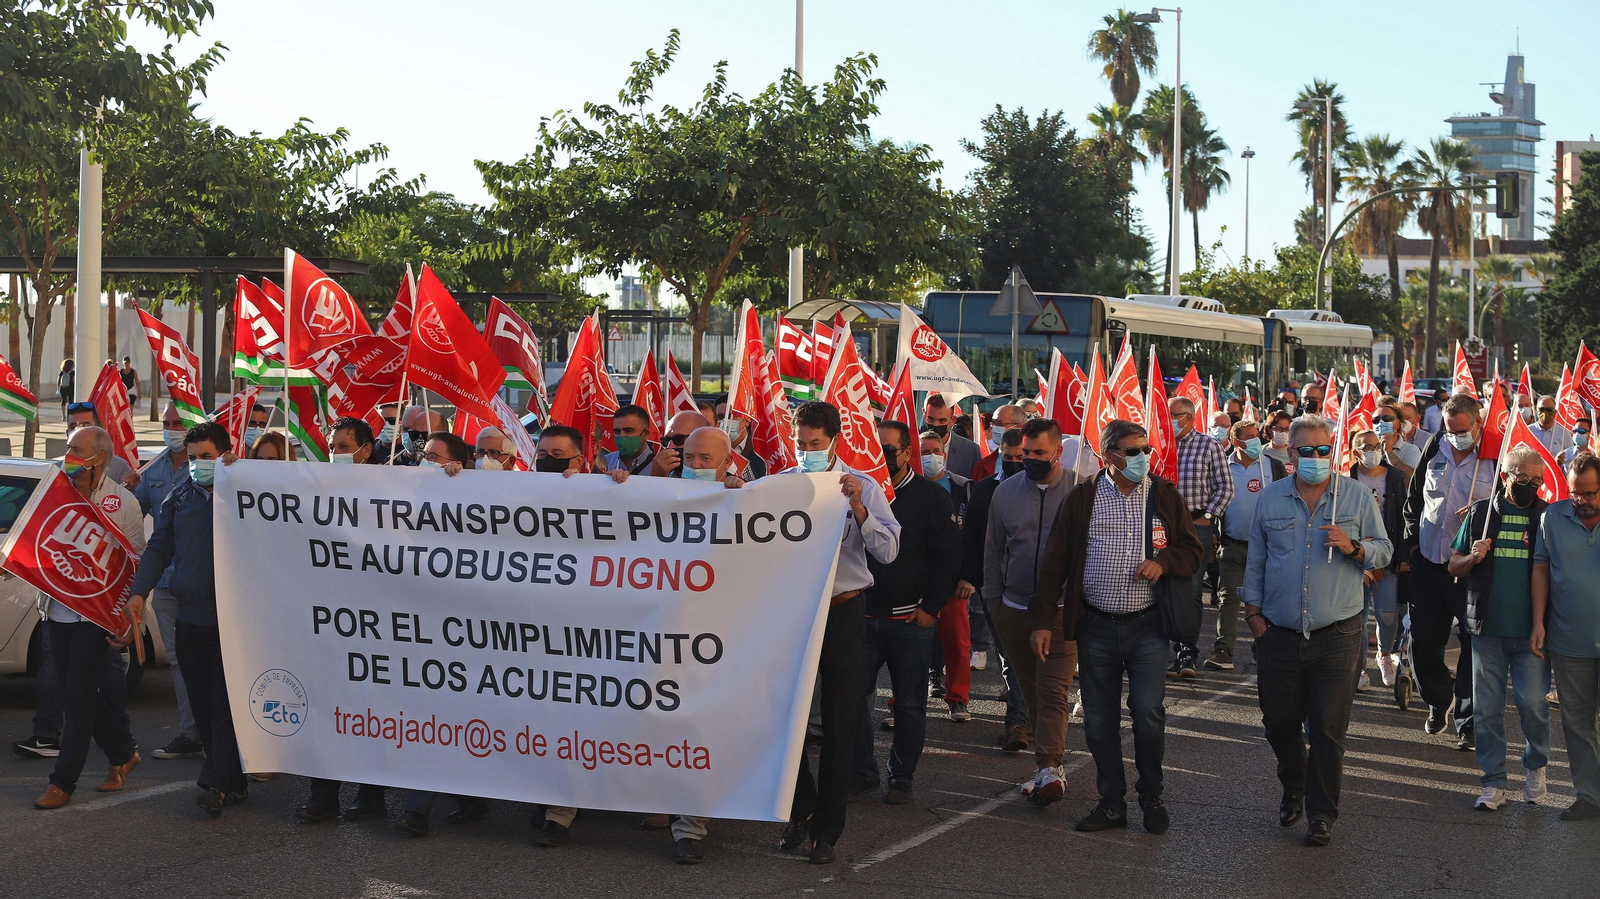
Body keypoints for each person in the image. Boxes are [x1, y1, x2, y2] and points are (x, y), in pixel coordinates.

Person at [1033, 420, 1201, 836]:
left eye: (1145, 449)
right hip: (1096, 627)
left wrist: (1162, 563)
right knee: (1098, 722)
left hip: (1147, 627)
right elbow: (1055, 562)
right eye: (1132, 451)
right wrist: (1042, 623)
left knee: (1147, 713)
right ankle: (1111, 803)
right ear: (1109, 455)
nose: (1142, 457)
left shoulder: (1163, 496)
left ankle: (1152, 796)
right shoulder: (1083, 497)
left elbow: (1192, 550)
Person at [1242, 414, 1393, 847]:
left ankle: (1321, 814)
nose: (1314, 458)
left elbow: (1383, 550)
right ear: (1290, 454)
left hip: (1338, 633)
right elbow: (1256, 562)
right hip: (1279, 632)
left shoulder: (1358, 497)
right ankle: (1294, 783)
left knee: (1327, 729)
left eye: (1322, 450)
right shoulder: (1270, 500)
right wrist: (1253, 618)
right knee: (1278, 722)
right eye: (1305, 451)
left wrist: (1354, 546)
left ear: (1333, 450)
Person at [780, 401, 899, 865]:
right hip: (794, 612)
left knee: (839, 718)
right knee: (784, 716)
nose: (807, 451)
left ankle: (827, 829)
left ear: (834, 440)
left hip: (845, 609)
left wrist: (858, 507)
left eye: (815, 444)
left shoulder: (864, 484)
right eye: (800, 444)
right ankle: (801, 809)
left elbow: (888, 551)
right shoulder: (783, 484)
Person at [126, 422, 249, 816]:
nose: (198, 464)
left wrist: (240, 476)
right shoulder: (181, 494)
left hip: (234, 621)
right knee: (201, 701)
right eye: (193, 458)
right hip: (190, 616)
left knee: (222, 704)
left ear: (226, 454)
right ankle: (233, 781)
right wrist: (139, 592)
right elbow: (160, 546)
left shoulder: (248, 492)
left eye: (207, 457)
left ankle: (215, 782)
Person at [29, 427, 147, 809]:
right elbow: (36, 540)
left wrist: (131, 622)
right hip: (55, 613)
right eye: (68, 449)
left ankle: (62, 782)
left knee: (77, 698)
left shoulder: (123, 502)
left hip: (94, 619)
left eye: (77, 450)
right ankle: (122, 751)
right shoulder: (54, 492)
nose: (69, 456)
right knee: (73, 691)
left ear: (101, 457)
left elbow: (136, 566)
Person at [853, 420, 959, 805]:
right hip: (860, 618)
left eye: (889, 450)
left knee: (910, 704)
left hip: (910, 621)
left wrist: (931, 608)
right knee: (853, 701)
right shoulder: (855, 492)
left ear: (907, 453)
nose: (881, 457)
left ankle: (901, 777)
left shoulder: (931, 497)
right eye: (874, 449)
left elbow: (948, 557)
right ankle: (862, 773)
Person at [982, 418, 1081, 804]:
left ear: (1058, 450)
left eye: (1039, 453)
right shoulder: (1005, 494)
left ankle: (1050, 767)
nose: (1031, 460)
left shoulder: (1081, 489)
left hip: (1060, 611)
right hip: (1012, 609)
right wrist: (994, 603)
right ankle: (1046, 767)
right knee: (1030, 690)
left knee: (1053, 689)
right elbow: (992, 551)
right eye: (1026, 453)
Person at [1446, 447, 1551, 811]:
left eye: (1537, 479)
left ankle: (1536, 769)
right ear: (1505, 476)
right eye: (1523, 477)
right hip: (1487, 630)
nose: (1531, 485)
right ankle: (1493, 782)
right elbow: (1453, 566)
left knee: (1533, 706)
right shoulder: (1481, 514)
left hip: (1531, 634)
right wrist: (1473, 557)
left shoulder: (1545, 517)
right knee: (1488, 711)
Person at [300, 418, 391, 823]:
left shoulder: (393, 488)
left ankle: (371, 795)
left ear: (366, 449)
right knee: (328, 709)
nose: (334, 451)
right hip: (331, 621)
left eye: (342, 445)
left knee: (373, 711)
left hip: (377, 625)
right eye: (332, 444)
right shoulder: (318, 485)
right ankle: (323, 795)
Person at [1403, 393, 1496, 750]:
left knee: (1474, 644)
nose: (1454, 436)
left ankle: (1467, 720)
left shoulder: (1492, 457)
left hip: (1470, 568)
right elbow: (1414, 500)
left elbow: (1502, 508)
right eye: (1448, 428)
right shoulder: (1435, 448)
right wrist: (1412, 546)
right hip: (1428, 562)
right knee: (1424, 642)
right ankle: (1439, 698)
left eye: (1461, 430)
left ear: (1477, 424)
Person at [131, 404, 204, 762]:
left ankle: (222, 732)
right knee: (178, 660)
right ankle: (192, 732)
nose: (172, 429)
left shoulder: (210, 467)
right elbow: (135, 514)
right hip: (165, 581)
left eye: (179, 423)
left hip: (203, 580)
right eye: (167, 424)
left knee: (215, 658)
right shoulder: (153, 469)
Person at [1531, 453, 1600, 821]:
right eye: (1576, 493)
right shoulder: (1552, 517)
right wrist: (1538, 621)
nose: (1582, 501)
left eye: (1590, 494)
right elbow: (1541, 569)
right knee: (1577, 722)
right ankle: (1589, 795)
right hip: (1569, 639)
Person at [961, 429, 1029, 741]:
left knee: (1021, 658)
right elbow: (972, 538)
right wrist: (971, 578)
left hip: (1030, 586)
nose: (1014, 463)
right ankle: (1021, 720)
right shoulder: (985, 489)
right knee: (1009, 656)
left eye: (1021, 458)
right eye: (1008, 457)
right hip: (993, 587)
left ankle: (1022, 720)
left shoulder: (1042, 490)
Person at [1205, 418, 1285, 671]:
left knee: (1269, 599)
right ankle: (1223, 651)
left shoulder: (1273, 466)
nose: (1254, 441)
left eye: (1256, 436)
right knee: (1228, 598)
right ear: (1235, 440)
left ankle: (1264, 649)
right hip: (1232, 544)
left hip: (1269, 546)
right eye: (1247, 437)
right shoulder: (1223, 467)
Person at [1169, 395, 1234, 678]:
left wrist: (1207, 516)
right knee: (1159, 590)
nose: (1170, 420)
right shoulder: (1159, 443)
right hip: (1161, 526)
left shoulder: (1208, 445)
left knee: (1191, 591)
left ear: (1189, 417)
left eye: (1174, 415)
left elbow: (1226, 488)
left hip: (1196, 526)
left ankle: (1187, 655)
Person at [919, 430, 974, 721]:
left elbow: (973, 538)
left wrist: (968, 578)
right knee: (911, 645)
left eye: (935, 451)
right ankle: (903, 701)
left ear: (945, 453)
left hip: (954, 582)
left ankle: (958, 698)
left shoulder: (963, 487)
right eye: (924, 451)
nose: (930, 457)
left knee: (957, 643)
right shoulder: (905, 486)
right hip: (917, 581)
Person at [1350, 428, 1410, 690]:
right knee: (1357, 615)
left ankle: (1385, 655)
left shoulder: (1395, 478)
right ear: (1355, 452)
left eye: (1375, 446)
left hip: (1387, 558)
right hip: (1353, 557)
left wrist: (1404, 556)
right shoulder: (1346, 478)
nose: (1371, 451)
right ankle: (1360, 667)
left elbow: (1404, 519)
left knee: (1387, 614)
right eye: (1365, 447)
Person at [64, 402, 134, 485]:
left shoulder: (119, 468)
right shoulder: (55, 472)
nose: (78, 431)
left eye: (85, 426)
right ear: (67, 433)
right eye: (73, 427)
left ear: (98, 429)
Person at [923, 393, 980, 479]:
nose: (935, 424)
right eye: (931, 419)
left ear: (952, 420)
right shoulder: (912, 446)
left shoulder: (970, 450)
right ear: (924, 416)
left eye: (942, 420)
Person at [712, 398, 767, 481]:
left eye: (731, 416)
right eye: (720, 417)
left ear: (747, 421)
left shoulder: (761, 453)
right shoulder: (712, 451)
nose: (725, 421)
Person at [969, 404, 1029, 481]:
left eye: (1000, 424)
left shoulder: (1035, 463)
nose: (994, 427)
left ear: (1019, 427)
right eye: (993, 423)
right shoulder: (982, 465)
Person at [648, 411, 706, 478]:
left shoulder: (716, 477)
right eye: (666, 440)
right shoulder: (666, 474)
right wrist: (657, 477)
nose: (670, 446)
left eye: (678, 439)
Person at [1374, 397, 1422, 478]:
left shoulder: (1411, 450)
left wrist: (1389, 452)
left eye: (1387, 419)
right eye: (1376, 420)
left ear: (1397, 424)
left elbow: (1411, 480)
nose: (1381, 423)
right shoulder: (1367, 448)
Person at [604, 404, 657, 475]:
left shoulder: (659, 466)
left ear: (645, 434)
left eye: (628, 430)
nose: (621, 435)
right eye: (617, 431)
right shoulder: (604, 463)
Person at [1528, 394, 1573, 460]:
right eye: (1541, 409)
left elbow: (1570, 458)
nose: (1545, 413)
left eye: (1549, 410)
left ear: (1555, 411)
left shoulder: (1564, 434)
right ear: (1536, 410)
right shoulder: (1528, 431)